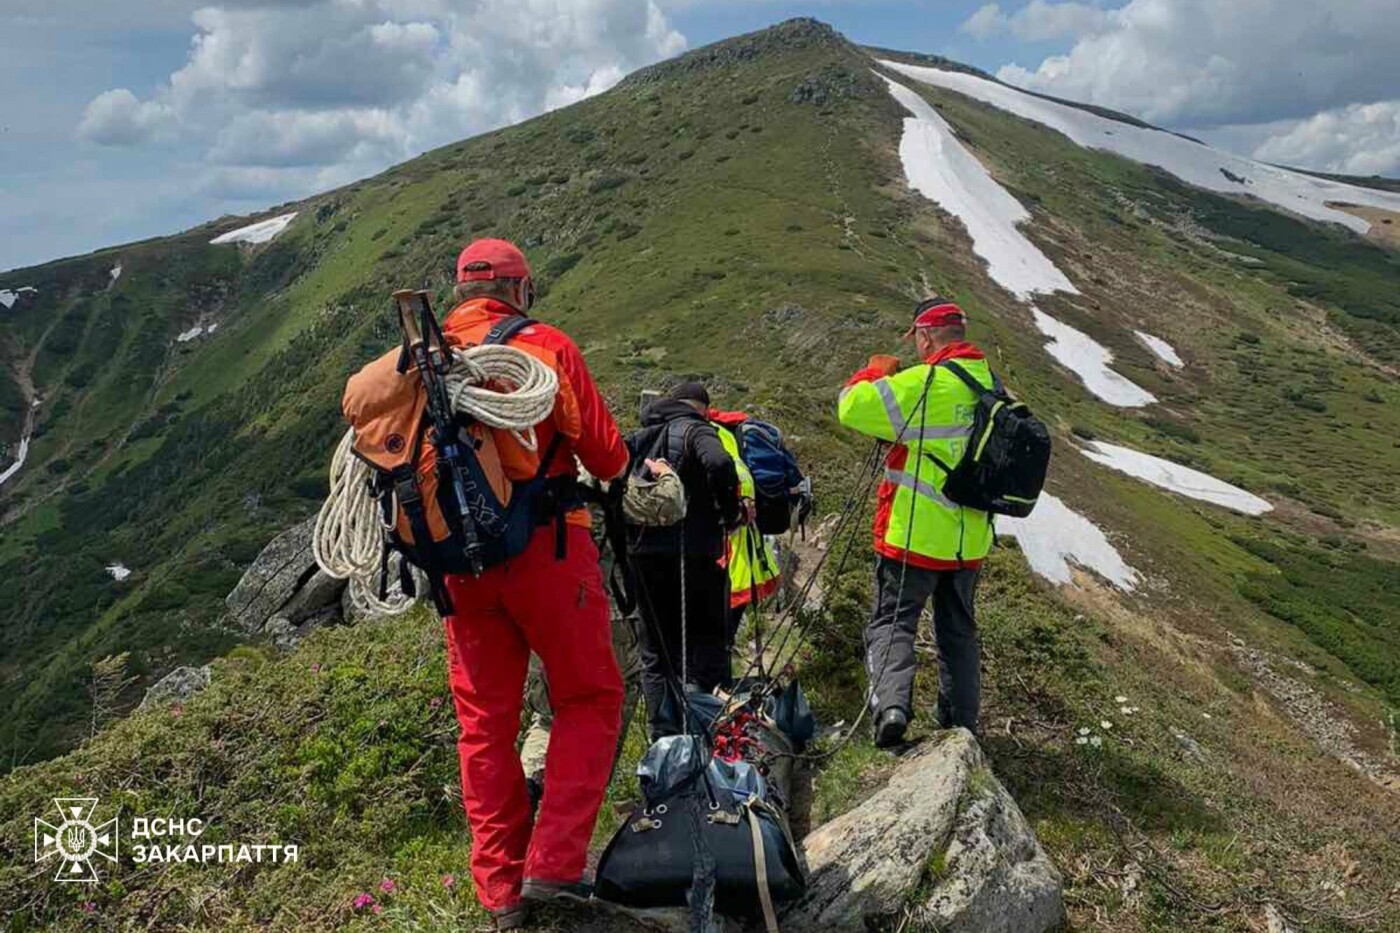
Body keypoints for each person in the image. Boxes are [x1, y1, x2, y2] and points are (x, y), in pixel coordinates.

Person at [437, 238, 629, 929]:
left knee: (485, 726)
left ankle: (500, 892)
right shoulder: (546, 347)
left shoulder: (425, 360)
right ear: (520, 290)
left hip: (460, 565)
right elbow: (607, 454)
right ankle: (553, 864)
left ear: (461, 292)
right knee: (589, 695)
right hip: (548, 549)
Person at [836, 297, 996, 748]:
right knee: (958, 632)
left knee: (892, 622)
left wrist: (873, 372)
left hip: (914, 534)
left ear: (925, 337)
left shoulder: (925, 382)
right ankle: (961, 724)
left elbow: (851, 407)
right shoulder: (990, 383)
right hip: (968, 541)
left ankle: (891, 710)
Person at [626, 382, 743, 740]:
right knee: (704, 643)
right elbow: (719, 463)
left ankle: (664, 738)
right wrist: (729, 512)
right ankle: (705, 731)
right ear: (702, 409)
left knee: (656, 653)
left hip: (643, 555)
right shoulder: (697, 429)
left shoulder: (640, 435)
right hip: (694, 553)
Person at [708, 409, 782, 653]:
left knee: (715, 638)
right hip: (747, 554)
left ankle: (718, 670)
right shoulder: (731, 435)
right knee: (724, 638)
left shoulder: (711, 435)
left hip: (727, 555)